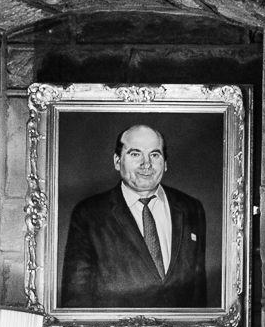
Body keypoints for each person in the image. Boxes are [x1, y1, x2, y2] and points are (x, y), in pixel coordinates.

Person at [60, 124, 211, 309]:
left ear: (165, 163)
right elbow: (76, 295)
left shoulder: (191, 208)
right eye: (135, 154)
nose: (146, 164)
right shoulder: (89, 214)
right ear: (117, 161)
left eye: (154, 155)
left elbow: (198, 291)